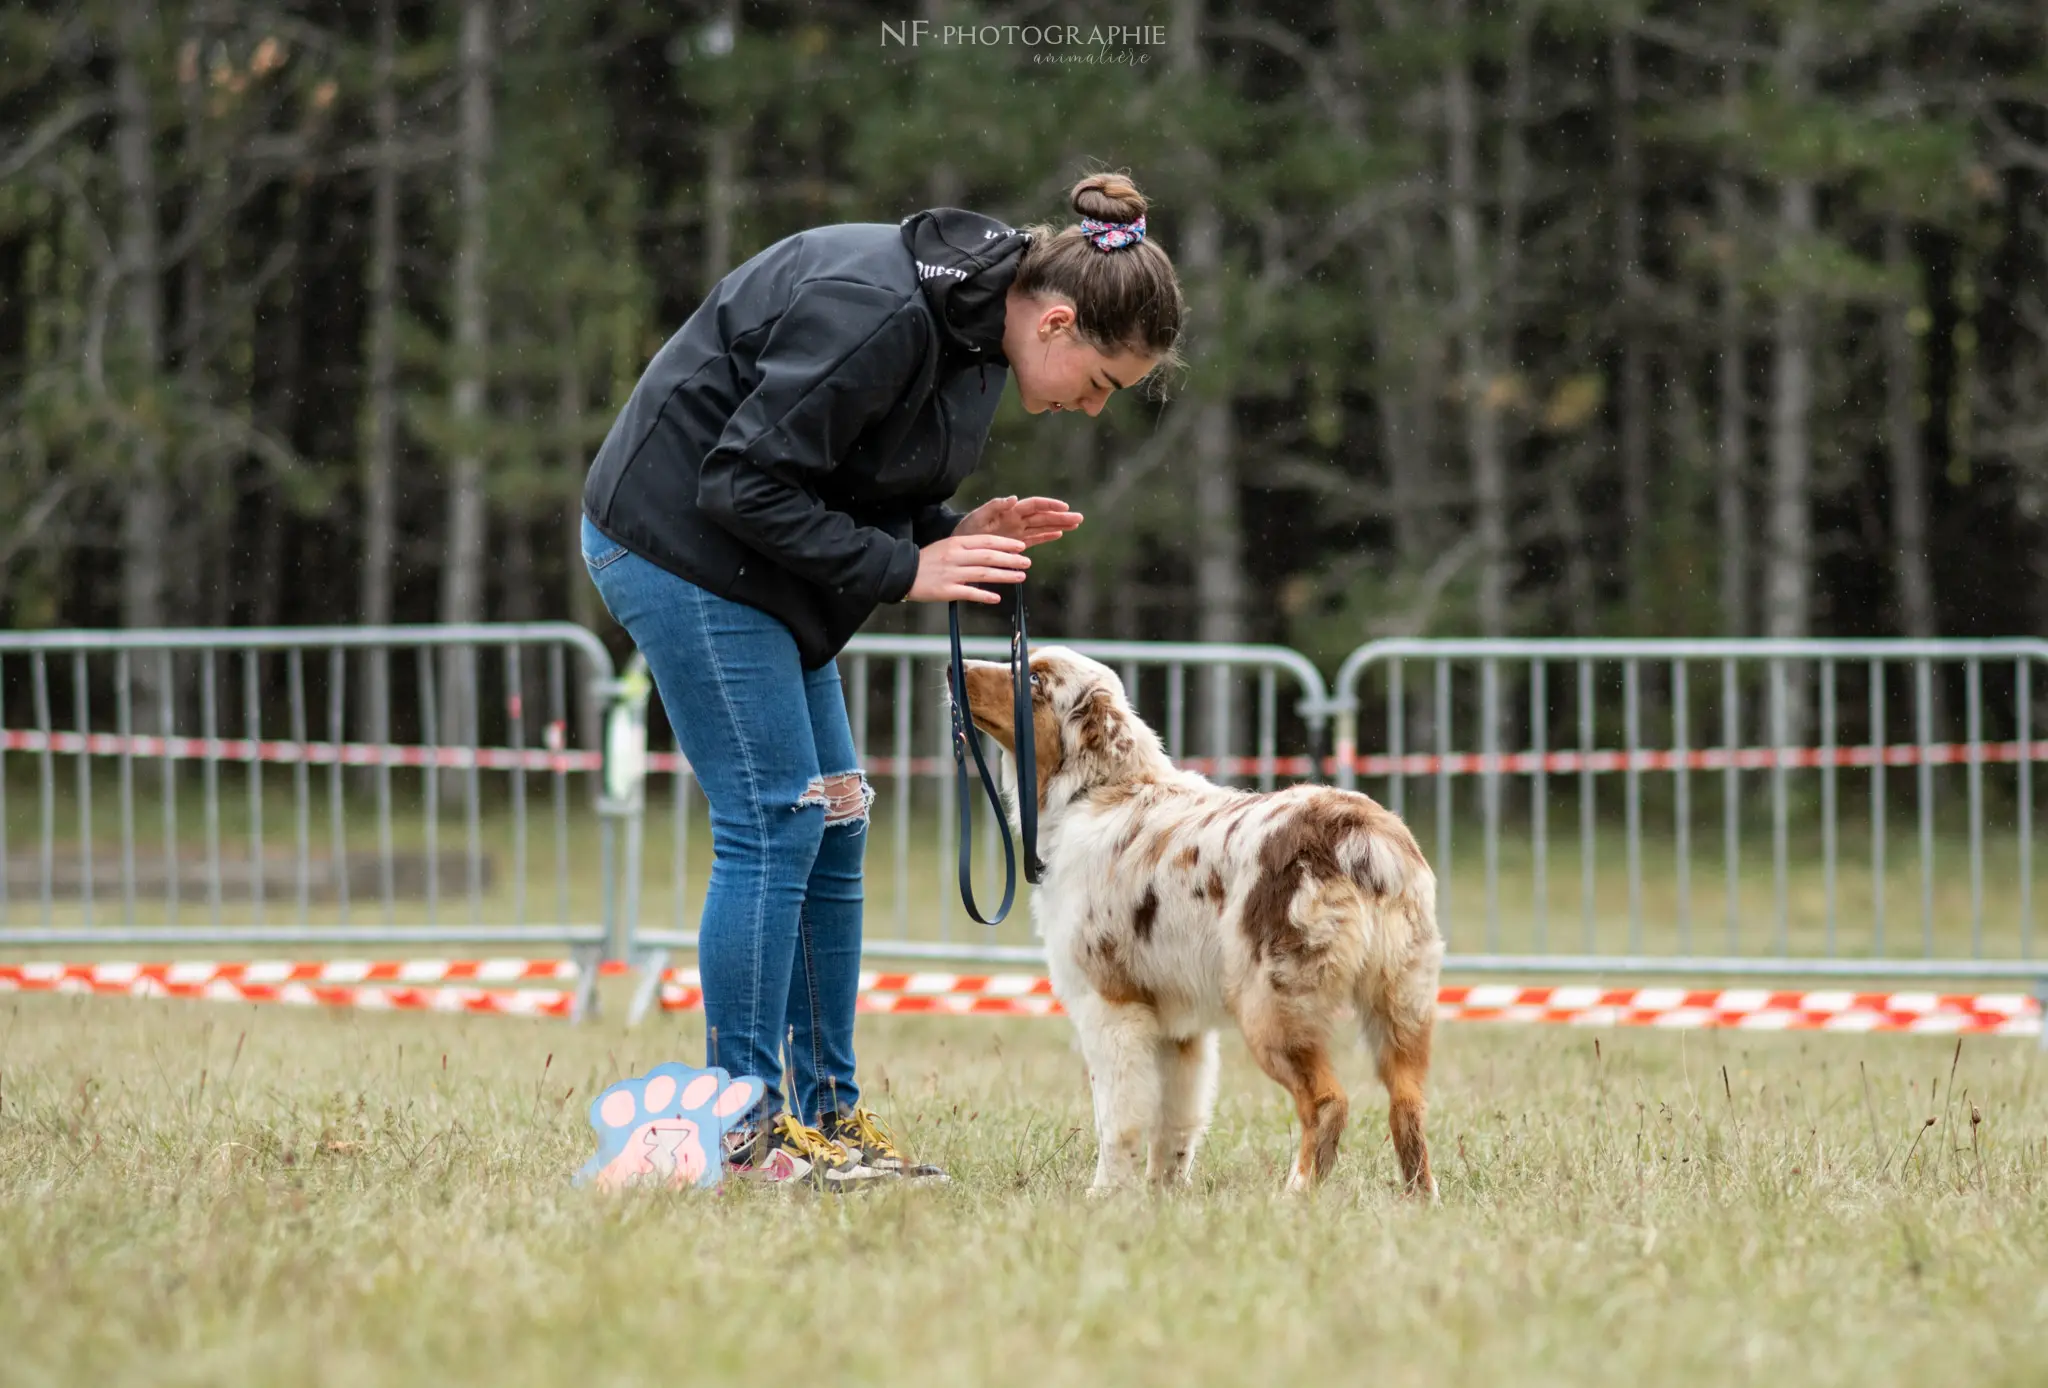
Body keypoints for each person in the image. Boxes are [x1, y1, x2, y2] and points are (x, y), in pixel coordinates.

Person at [579, 172, 1185, 1190]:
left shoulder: (976, 337)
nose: (1088, 409)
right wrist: (906, 568)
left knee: (838, 813)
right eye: (1100, 381)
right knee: (778, 817)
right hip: (674, 541)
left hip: (756, 564)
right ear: (1057, 317)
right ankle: (743, 1130)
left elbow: (853, 482)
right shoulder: (874, 312)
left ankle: (827, 1115)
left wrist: (951, 531)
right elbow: (740, 480)